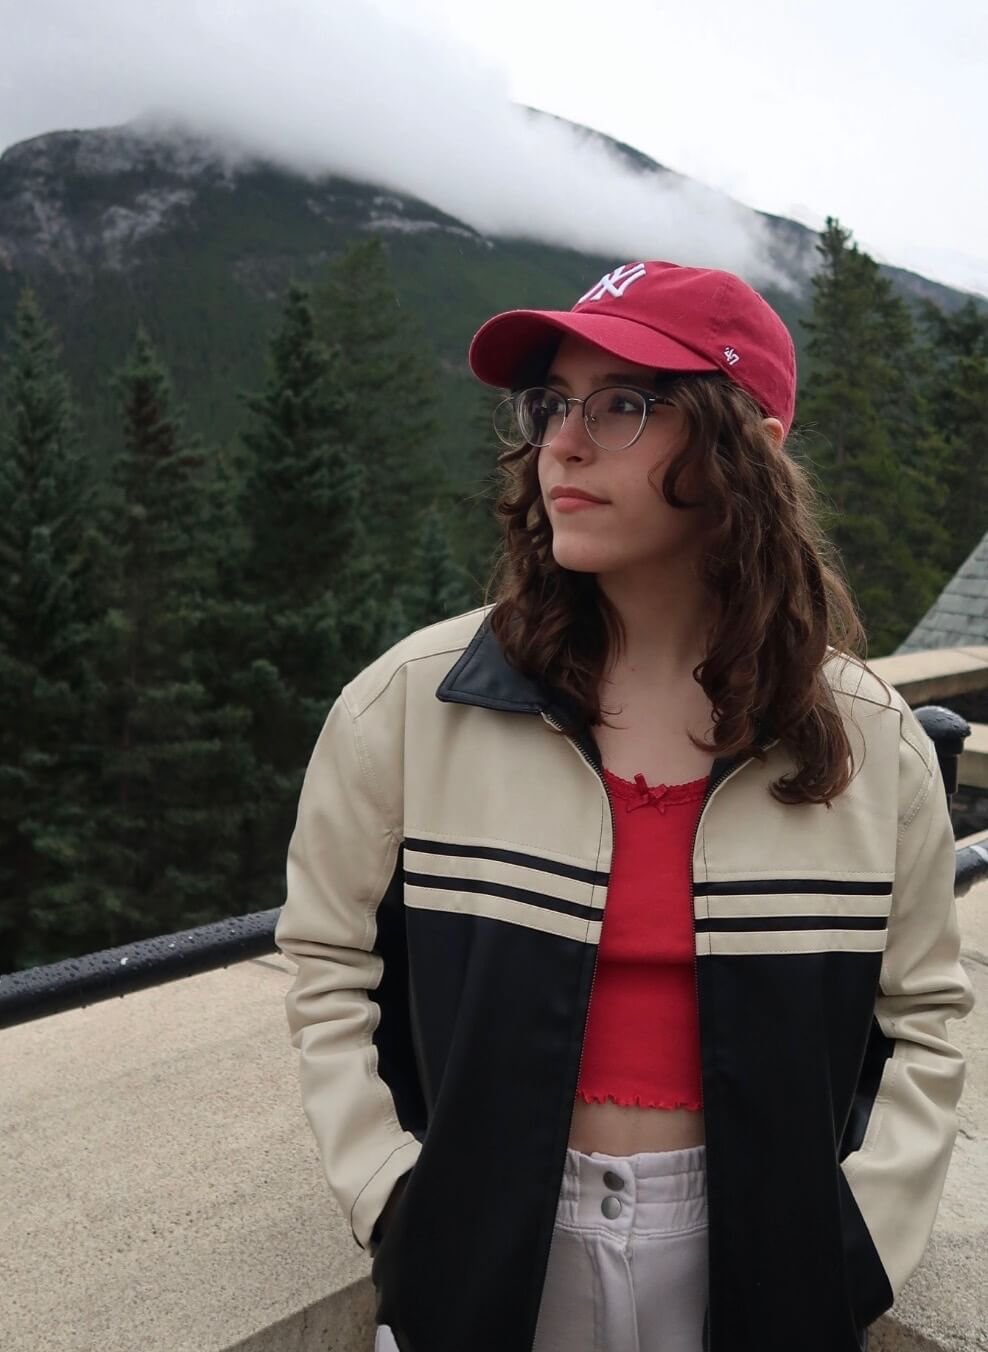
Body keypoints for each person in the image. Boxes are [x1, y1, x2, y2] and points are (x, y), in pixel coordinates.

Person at [273, 260, 974, 1352]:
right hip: (484, 1250)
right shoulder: (410, 704)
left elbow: (924, 1017)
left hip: (758, 1256)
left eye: (625, 403)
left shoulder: (868, 740)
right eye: (552, 401)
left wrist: (858, 1242)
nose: (562, 440)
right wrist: (394, 1196)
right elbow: (324, 963)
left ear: (750, 447)